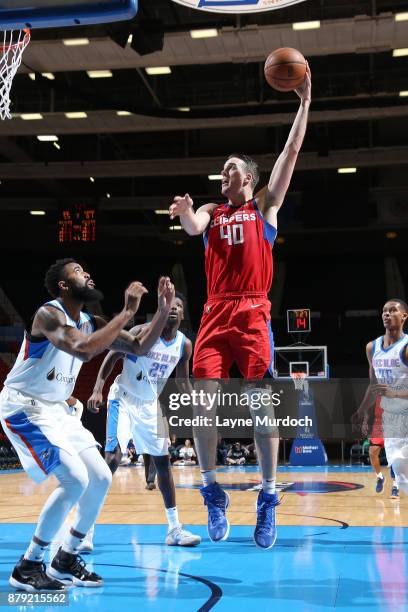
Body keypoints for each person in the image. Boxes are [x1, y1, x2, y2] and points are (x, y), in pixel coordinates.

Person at [169, 65, 312, 549]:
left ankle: (268, 498)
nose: (224, 173)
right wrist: (188, 212)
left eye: (231, 168)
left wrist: (304, 103)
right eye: (223, 169)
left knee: (261, 412)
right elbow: (192, 226)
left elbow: (290, 152)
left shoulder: (264, 208)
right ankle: (211, 490)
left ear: (248, 178)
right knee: (202, 408)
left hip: (252, 313)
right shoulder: (213, 211)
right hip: (213, 313)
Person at [0, 258, 174, 592]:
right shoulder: (48, 314)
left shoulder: (92, 321)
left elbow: (138, 346)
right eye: (79, 271)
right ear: (64, 285)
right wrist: (126, 312)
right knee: (75, 479)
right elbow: (81, 350)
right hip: (24, 407)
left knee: (101, 476)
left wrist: (163, 311)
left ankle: (66, 557)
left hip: (57, 411)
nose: (88, 274)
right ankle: (30, 564)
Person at [86, 292, 201, 548]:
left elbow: (182, 381)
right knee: (112, 459)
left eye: (179, 307)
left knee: (163, 464)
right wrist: (97, 388)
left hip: (150, 405)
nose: (174, 309)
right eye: (170, 305)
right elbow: (113, 355)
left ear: (183, 315)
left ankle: (174, 529)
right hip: (123, 398)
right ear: (161, 309)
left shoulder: (184, 345)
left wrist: (195, 402)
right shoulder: (142, 330)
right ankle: (84, 529)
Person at [352, 299, 408, 499]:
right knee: (401, 478)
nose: (387, 314)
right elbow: (373, 385)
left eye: (392, 310)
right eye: (384, 310)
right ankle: (385, 480)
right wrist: (361, 411)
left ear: (403, 316)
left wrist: (395, 394)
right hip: (390, 419)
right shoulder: (372, 347)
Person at [362, 398, 399, 497]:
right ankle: (380, 477)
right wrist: (365, 421)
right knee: (372, 452)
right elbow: (367, 407)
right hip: (379, 425)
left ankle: (395, 486)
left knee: (393, 456)